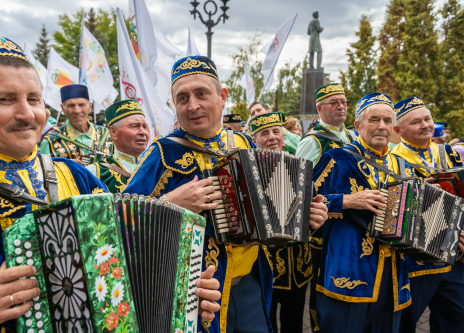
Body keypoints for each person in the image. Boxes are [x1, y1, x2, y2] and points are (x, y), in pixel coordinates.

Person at [0, 36, 221, 333]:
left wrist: (185, 292)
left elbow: (128, 258)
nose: (27, 114)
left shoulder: (76, 175)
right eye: (5, 99)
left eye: (34, 99)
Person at [124, 55, 327, 333]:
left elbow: (267, 210)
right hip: (196, 295)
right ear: (174, 105)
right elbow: (119, 217)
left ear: (222, 96)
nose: (192, 105)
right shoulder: (163, 153)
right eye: (182, 98)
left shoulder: (242, 143)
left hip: (253, 283)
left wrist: (304, 216)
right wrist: (171, 203)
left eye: (201, 94)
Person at [313, 92, 413, 333]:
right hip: (348, 273)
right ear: (357, 125)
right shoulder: (336, 159)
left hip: (394, 277)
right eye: (374, 119)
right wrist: (347, 200)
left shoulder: (403, 166)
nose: (381, 126)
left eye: (388, 121)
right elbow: (300, 203)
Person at [390, 96, 464, 333]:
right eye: (416, 122)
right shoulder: (391, 161)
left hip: (452, 257)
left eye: (427, 119)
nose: (425, 125)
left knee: (456, 319)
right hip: (413, 260)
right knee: (405, 322)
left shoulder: (448, 153)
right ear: (398, 130)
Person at [250, 112, 327, 333]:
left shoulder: (300, 166)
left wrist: (314, 218)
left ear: (284, 138)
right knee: (266, 320)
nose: (273, 137)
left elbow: (311, 207)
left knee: (294, 321)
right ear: (254, 140)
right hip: (265, 263)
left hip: (299, 262)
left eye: (277, 132)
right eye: (264, 133)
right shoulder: (247, 169)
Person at [294, 83, 354, 330]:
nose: (341, 106)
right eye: (334, 102)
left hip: (352, 222)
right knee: (324, 287)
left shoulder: (350, 136)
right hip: (323, 228)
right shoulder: (313, 141)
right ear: (319, 108)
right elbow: (299, 186)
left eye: (343, 101)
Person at [87, 99, 149, 193]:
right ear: (113, 132)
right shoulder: (94, 173)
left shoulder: (159, 167)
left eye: (145, 127)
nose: (143, 132)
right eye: (135, 126)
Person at [39, 84, 113, 163]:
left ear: (89, 107)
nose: (77, 111)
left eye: (81, 105)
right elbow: (43, 172)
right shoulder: (50, 141)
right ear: (63, 109)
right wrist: (66, 166)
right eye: (71, 105)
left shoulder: (107, 134)